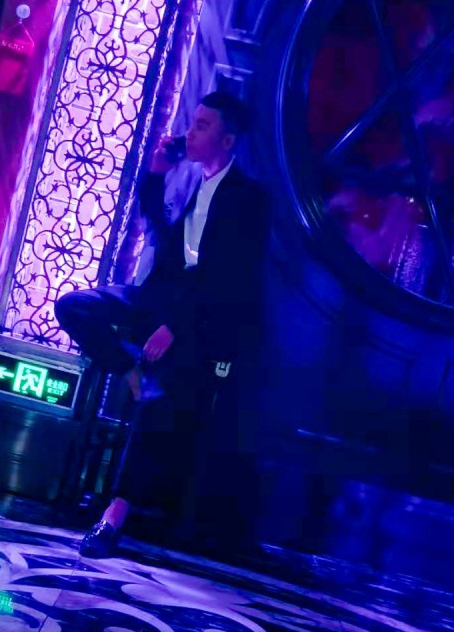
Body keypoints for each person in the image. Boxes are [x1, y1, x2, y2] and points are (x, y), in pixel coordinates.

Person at [55, 91, 269, 558]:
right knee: (74, 306)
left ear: (228, 140)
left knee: (159, 398)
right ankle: (129, 371)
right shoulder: (190, 180)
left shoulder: (248, 199)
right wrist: (156, 173)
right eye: (192, 123)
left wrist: (175, 325)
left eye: (203, 126)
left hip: (199, 323)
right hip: (156, 298)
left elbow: (230, 279)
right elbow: (155, 225)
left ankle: (114, 516)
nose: (190, 133)